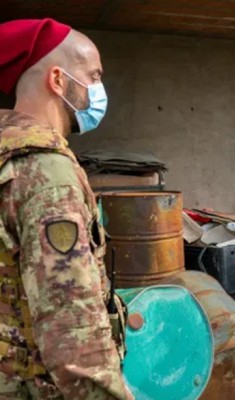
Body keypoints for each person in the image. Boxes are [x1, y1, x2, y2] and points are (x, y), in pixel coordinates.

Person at [0, 19, 132, 399]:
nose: (99, 89)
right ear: (58, 81)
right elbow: (73, 334)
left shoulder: (7, 157)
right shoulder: (46, 172)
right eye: (93, 76)